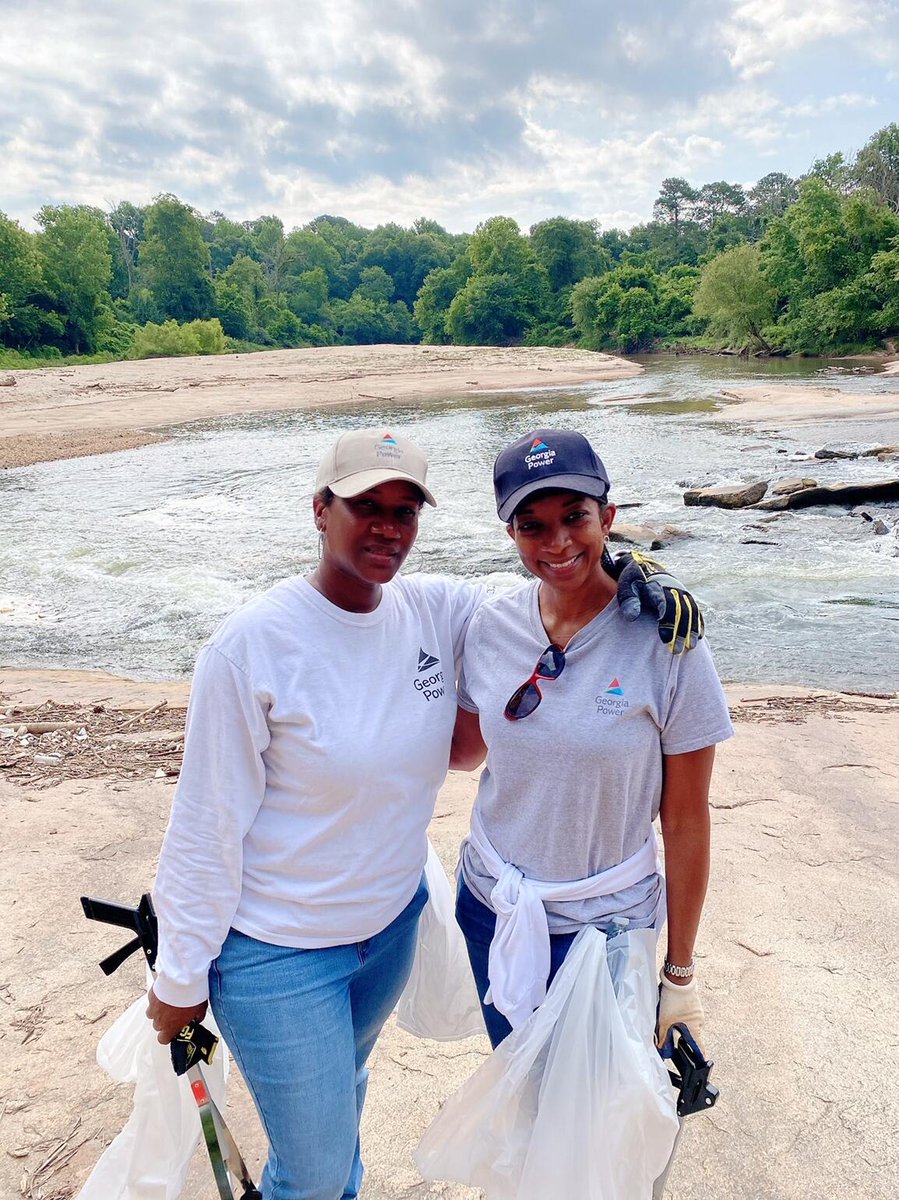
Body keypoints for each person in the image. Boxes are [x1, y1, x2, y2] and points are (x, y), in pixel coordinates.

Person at [145, 427, 705, 1200]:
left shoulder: (436, 609)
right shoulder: (250, 648)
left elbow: (550, 592)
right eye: (364, 506)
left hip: (386, 933)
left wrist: (633, 567)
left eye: (404, 510)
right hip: (281, 948)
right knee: (308, 1170)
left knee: (339, 1103)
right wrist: (180, 971)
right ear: (319, 510)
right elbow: (205, 825)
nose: (387, 527)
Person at [450, 428, 734, 1060]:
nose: (557, 542)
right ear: (510, 535)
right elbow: (461, 747)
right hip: (493, 906)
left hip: (605, 932)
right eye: (533, 526)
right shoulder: (489, 626)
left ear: (607, 517)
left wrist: (680, 974)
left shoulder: (668, 640)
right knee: (522, 1101)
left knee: (599, 1128)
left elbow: (686, 820)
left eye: (575, 517)